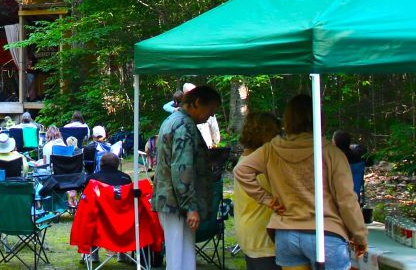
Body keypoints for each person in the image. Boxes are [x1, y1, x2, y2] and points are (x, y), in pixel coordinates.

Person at [234, 95, 367, 270]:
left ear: (288, 120)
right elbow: (347, 200)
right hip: (326, 233)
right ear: (320, 119)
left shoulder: (271, 149)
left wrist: (266, 199)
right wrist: (359, 235)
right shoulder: (331, 152)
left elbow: (241, 171)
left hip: (286, 234)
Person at [152, 84, 222, 270]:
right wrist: (190, 207)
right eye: (211, 110)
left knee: (182, 258)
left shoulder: (174, 120)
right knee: (179, 260)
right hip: (176, 204)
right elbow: (182, 168)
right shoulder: (184, 125)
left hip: (172, 201)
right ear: (198, 103)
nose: (210, 116)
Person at [232, 112, 282, 270]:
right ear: (267, 135)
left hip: (250, 233)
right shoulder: (259, 164)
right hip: (262, 238)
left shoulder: (247, 159)